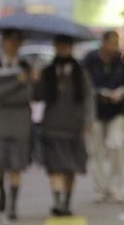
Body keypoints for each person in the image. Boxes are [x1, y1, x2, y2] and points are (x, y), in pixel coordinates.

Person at [34, 35, 92, 216]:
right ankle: (58, 203)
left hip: (74, 125)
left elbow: (89, 97)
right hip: (52, 125)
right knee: (55, 167)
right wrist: (36, 81)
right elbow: (38, 96)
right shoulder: (47, 72)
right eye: (60, 45)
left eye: (66, 45)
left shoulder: (80, 72)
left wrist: (88, 120)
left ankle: (66, 202)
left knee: (71, 168)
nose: (63, 49)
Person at [0, 30, 33, 222]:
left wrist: (8, 91)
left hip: (20, 124)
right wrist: (16, 84)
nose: (12, 45)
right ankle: (0, 190)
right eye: (9, 41)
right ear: (3, 42)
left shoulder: (26, 66)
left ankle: (12, 204)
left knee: (16, 166)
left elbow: (27, 95)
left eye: (16, 41)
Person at [82, 30, 124, 203]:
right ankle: (99, 188)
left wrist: (122, 93)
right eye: (111, 42)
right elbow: (84, 85)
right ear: (103, 43)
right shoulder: (90, 60)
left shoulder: (123, 60)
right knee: (96, 151)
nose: (113, 47)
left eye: (116, 43)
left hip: (117, 110)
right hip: (95, 110)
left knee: (117, 147)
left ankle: (115, 186)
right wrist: (98, 93)